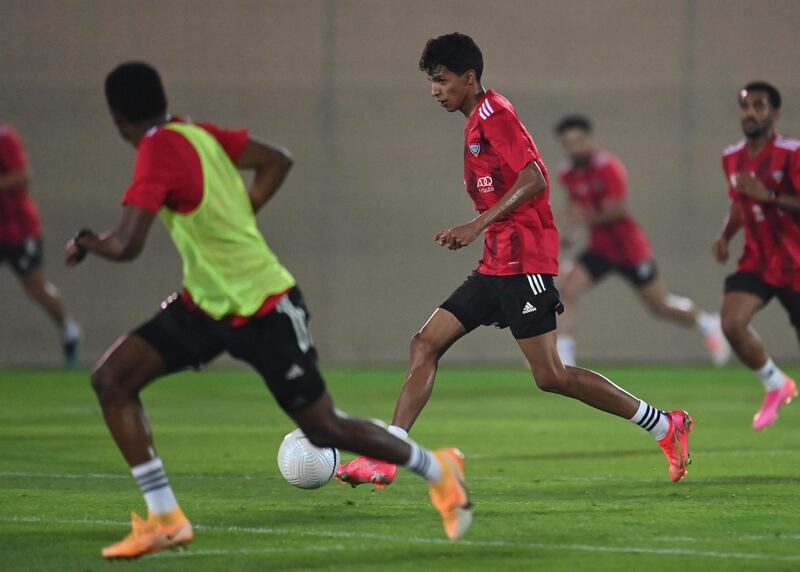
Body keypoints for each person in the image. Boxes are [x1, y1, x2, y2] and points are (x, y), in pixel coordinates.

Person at [66, 62, 472, 559]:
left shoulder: (155, 149)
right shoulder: (196, 133)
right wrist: (238, 215)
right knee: (113, 379)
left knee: (325, 427)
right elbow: (277, 161)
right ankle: (165, 519)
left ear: (116, 118)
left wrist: (87, 243)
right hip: (207, 305)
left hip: (264, 305)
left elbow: (127, 245)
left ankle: (438, 469)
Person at [337, 33, 692, 490]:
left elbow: (536, 178)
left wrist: (475, 225)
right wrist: (479, 229)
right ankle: (387, 455)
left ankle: (665, 425)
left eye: (442, 81)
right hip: (495, 262)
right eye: (431, 82)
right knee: (425, 343)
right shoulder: (475, 121)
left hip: (525, 262)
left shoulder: (494, 114)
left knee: (551, 376)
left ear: (470, 78)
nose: (435, 91)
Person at [553, 115, 730, 367]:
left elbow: (618, 209)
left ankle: (707, 323)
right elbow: (574, 206)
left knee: (659, 305)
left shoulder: (608, 167)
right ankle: (565, 358)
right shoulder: (567, 173)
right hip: (600, 249)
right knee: (566, 289)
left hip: (629, 249)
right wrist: (564, 228)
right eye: (568, 143)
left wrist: (580, 220)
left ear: (589, 140)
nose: (574, 147)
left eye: (578, 141)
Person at [713, 81, 799, 430]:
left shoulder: (792, 154)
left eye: (759, 106)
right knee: (732, 323)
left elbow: (763, 197)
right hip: (758, 260)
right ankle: (776, 383)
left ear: (775, 113)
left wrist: (770, 195)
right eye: (746, 106)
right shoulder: (731, 157)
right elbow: (739, 203)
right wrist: (725, 236)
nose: (750, 113)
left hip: (795, 261)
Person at [0, 122, 81, 365]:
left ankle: (68, 330)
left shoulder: (5, 138)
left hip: (18, 228)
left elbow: (22, 176)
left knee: (35, 286)